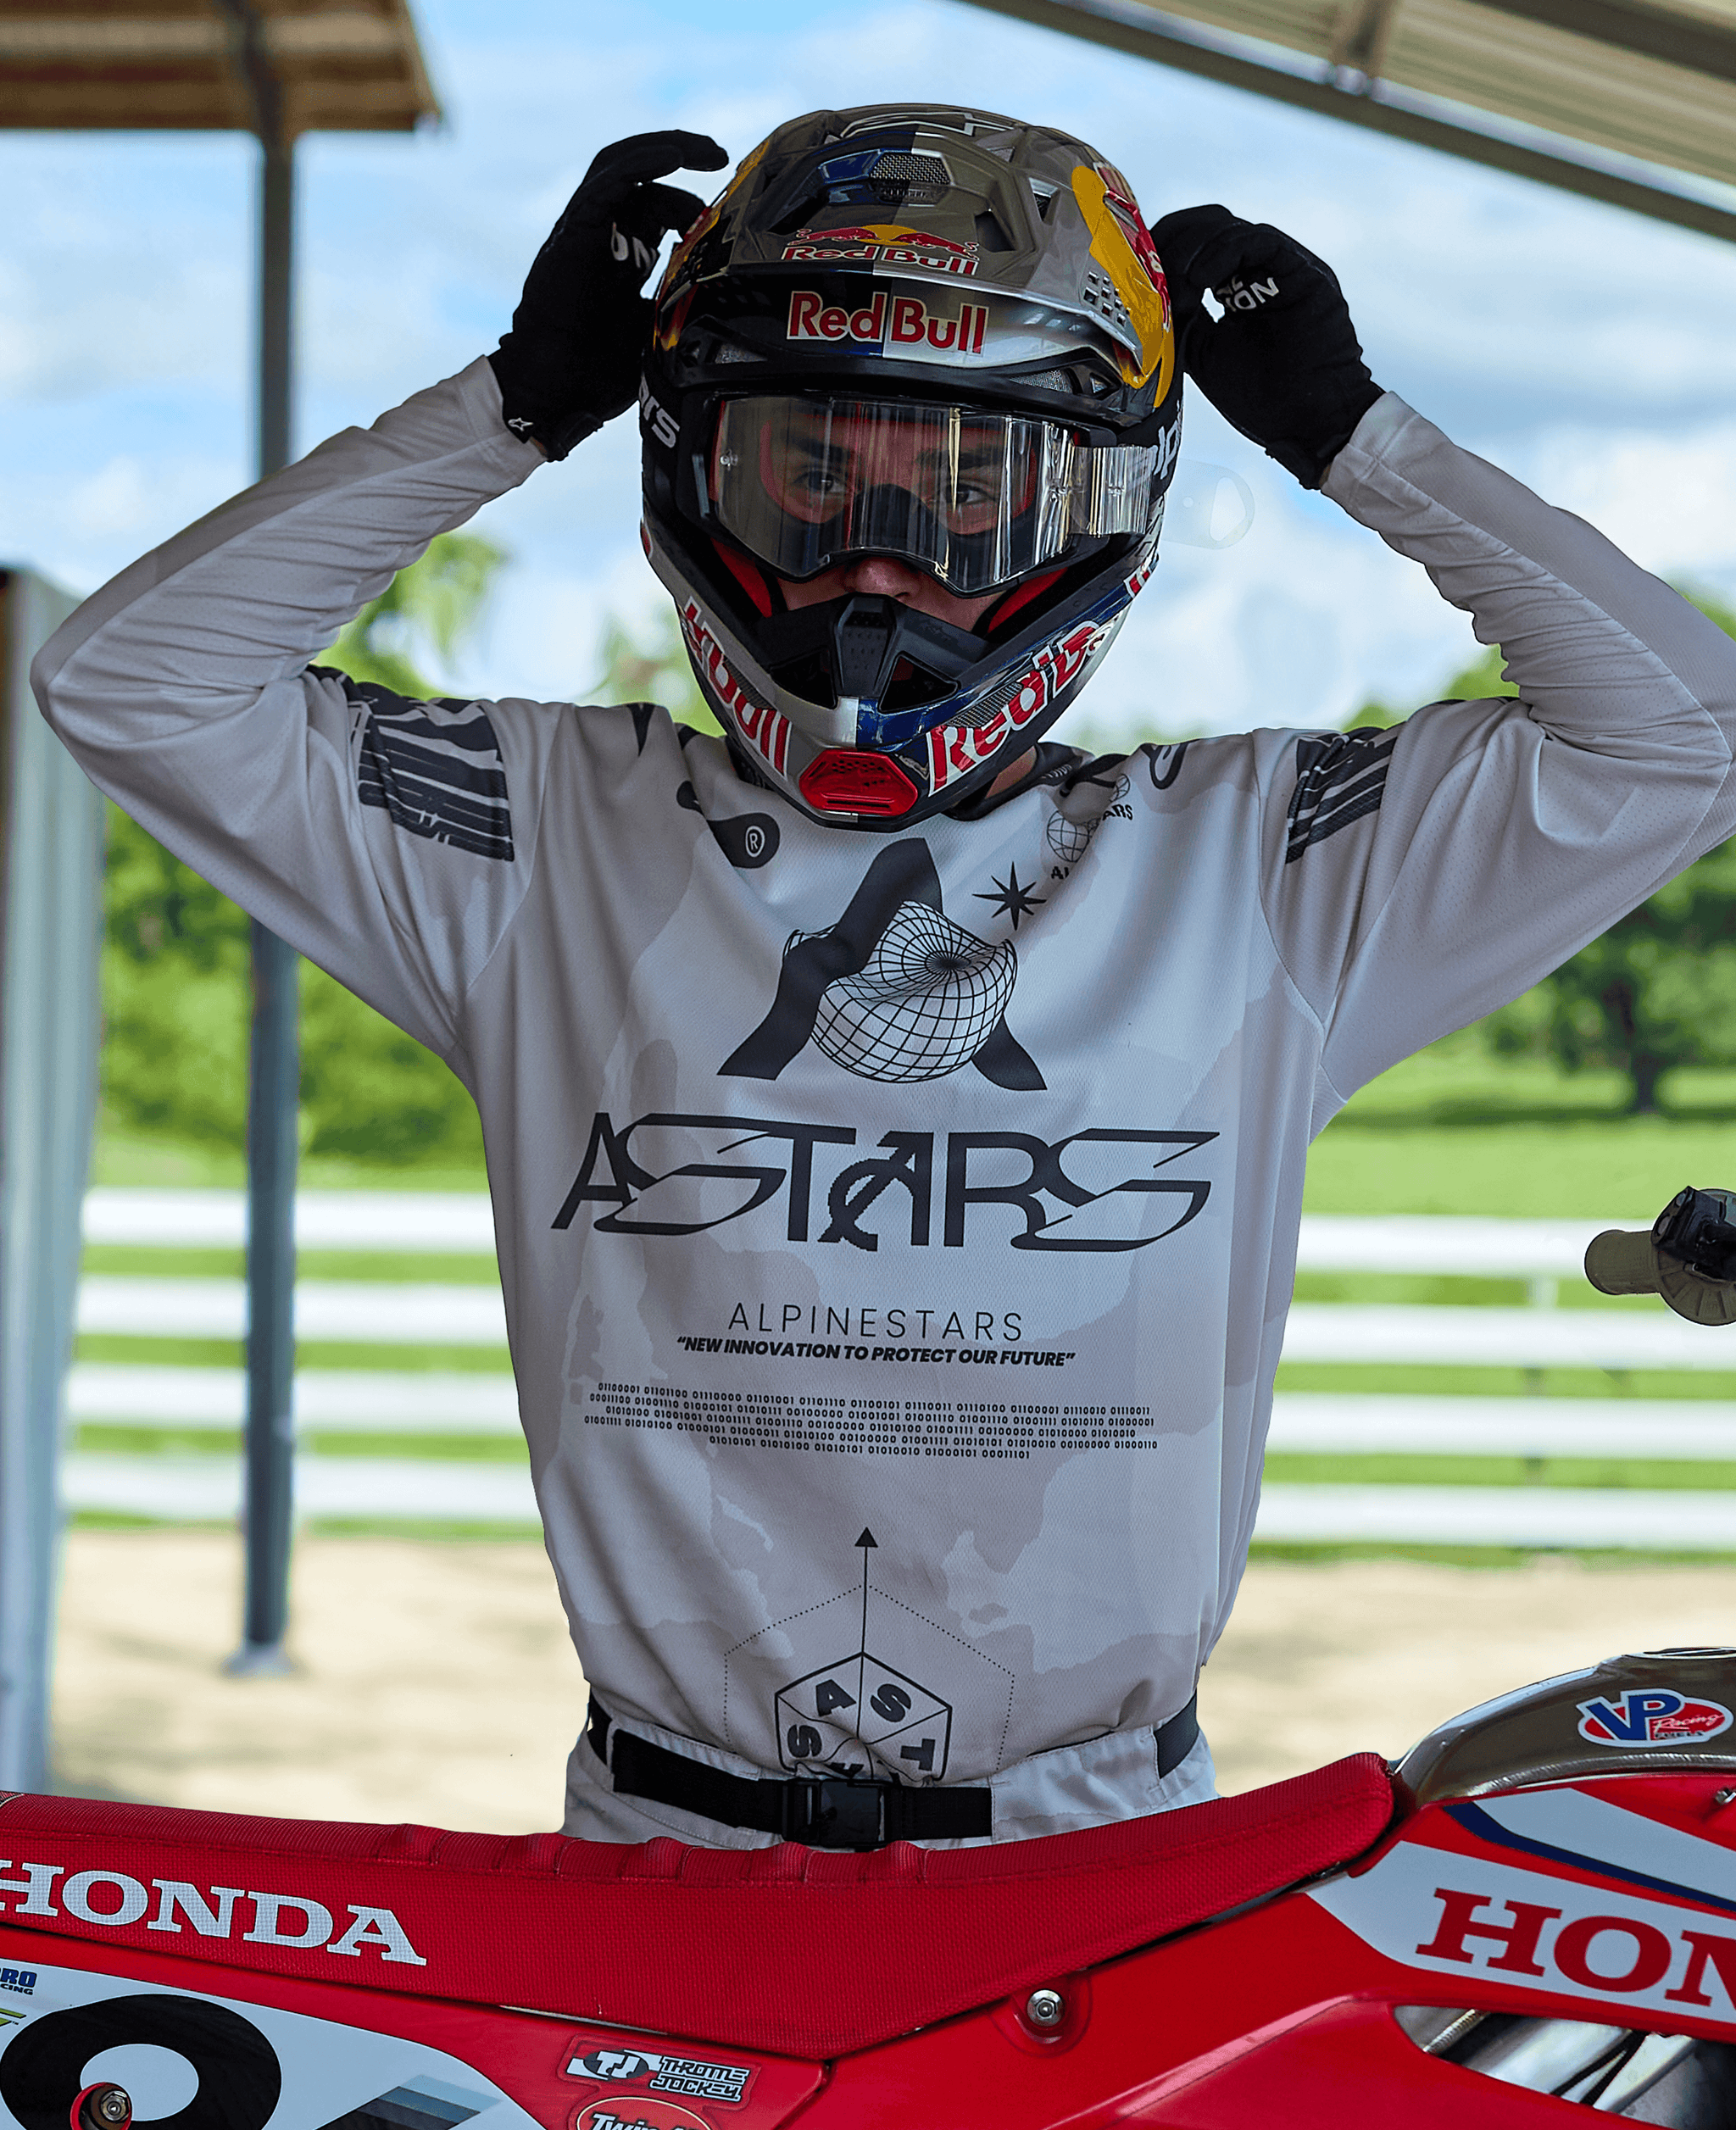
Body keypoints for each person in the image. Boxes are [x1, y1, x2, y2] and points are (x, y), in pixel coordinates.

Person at [33, 106, 1736, 1851]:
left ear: (1109, 510)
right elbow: (128, 685)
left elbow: (1684, 739)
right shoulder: (549, 845)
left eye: (969, 497)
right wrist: (509, 406)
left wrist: (1358, 439)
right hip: (662, 1853)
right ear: (694, 474)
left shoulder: (1259, 870)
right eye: (809, 480)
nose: (872, 579)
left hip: (1081, 1862)